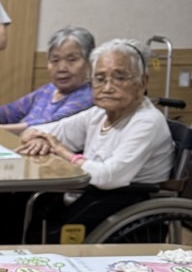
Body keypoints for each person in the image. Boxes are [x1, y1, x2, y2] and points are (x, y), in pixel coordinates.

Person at [15, 38, 173, 241]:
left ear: (142, 82)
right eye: (99, 78)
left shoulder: (147, 121)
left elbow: (108, 178)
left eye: (119, 78)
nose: (107, 87)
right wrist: (43, 139)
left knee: (34, 231)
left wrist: (62, 151)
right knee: (12, 207)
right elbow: (33, 130)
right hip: (87, 194)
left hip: (121, 204)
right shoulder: (98, 114)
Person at [0, 26, 95, 129]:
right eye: (55, 60)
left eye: (72, 60)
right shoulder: (49, 89)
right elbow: (11, 111)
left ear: (89, 63)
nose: (61, 68)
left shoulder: (88, 97)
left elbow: (47, 126)